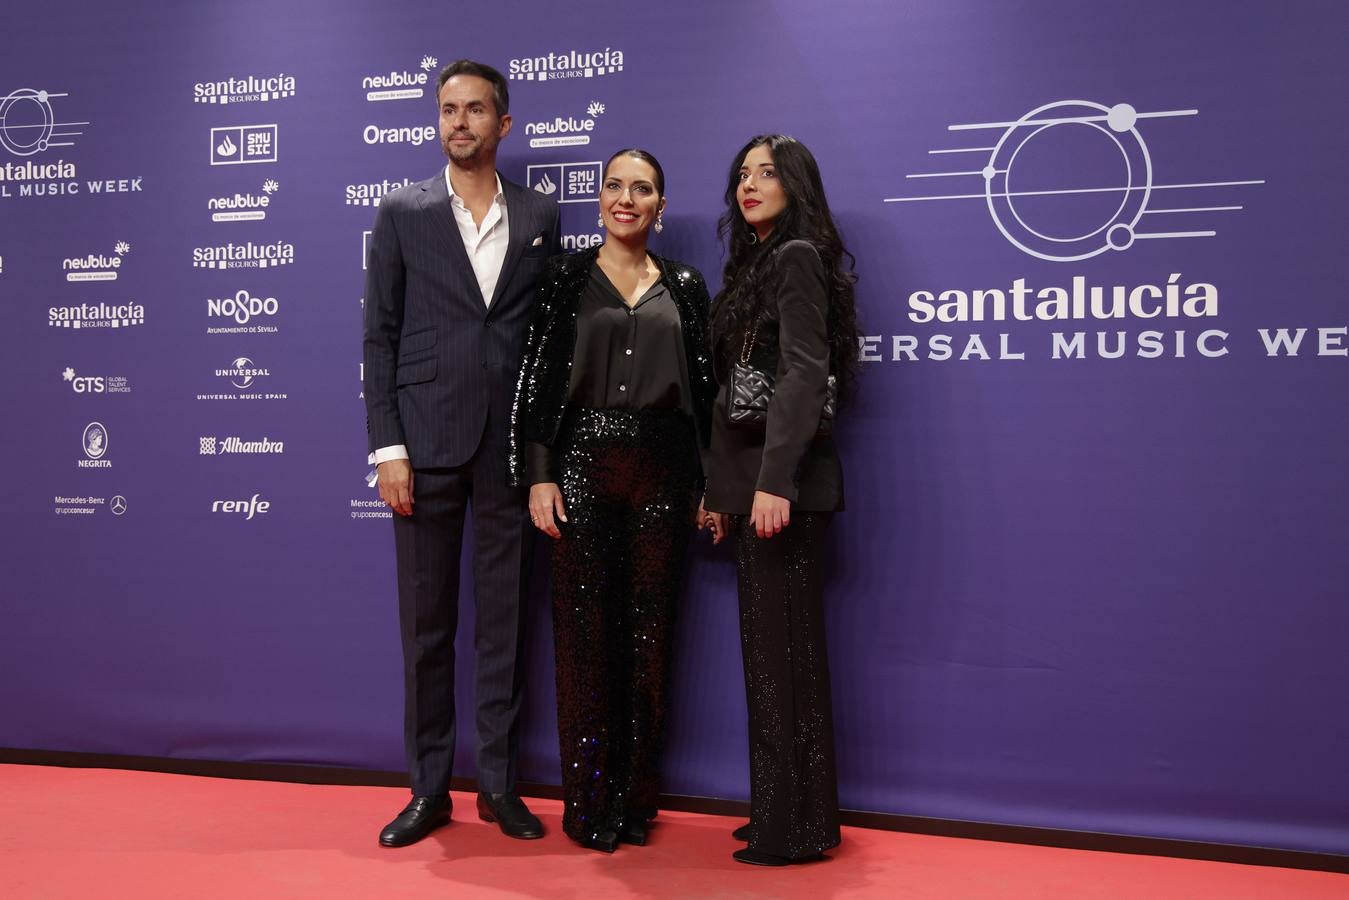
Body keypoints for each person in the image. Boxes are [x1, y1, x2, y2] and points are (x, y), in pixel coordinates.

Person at [362, 59, 561, 847]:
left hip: (508, 445)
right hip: (423, 443)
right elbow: (378, 336)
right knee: (426, 629)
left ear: (502, 124)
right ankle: (428, 788)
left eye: (476, 109)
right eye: (448, 109)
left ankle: (501, 787)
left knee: (504, 625)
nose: (460, 122)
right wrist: (388, 447)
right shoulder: (402, 212)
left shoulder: (540, 214)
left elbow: (544, 342)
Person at [509, 149, 718, 853]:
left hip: (664, 470)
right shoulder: (566, 279)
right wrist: (538, 473)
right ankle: (588, 799)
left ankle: (634, 800)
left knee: (649, 636)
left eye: (643, 189)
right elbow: (536, 382)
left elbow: (707, 395)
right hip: (582, 467)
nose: (626, 198)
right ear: (598, 199)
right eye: (614, 186)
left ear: (660, 205)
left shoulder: (687, 286)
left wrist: (712, 483)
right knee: (584, 636)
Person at [702, 134, 859, 866]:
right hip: (754, 485)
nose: (750, 183)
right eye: (742, 174)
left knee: (778, 659)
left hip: (779, 488)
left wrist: (772, 481)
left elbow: (802, 372)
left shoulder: (794, 258)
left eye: (766, 173)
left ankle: (786, 825)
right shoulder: (756, 266)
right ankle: (797, 811)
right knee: (777, 654)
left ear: (796, 184)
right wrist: (722, 487)